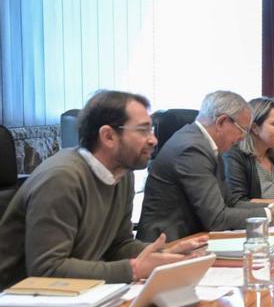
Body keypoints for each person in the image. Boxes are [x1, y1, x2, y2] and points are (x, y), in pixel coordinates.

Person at [0, 90, 206, 288]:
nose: (154, 139)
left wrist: (166, 253)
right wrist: (133, 270)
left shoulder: (123, 173)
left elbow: (119, 245)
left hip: (77, 298)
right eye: (143, 130)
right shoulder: (62, 178)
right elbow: (47, 270)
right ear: (108, 136)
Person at [138, 91, 274, 241]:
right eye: (243, 130)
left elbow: (231, 203)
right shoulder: (192, 148)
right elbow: (216, 218)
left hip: (193, 240)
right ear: (221, 122)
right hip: (167, 245)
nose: (243, 138)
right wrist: (270, 215)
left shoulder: (211, 147)